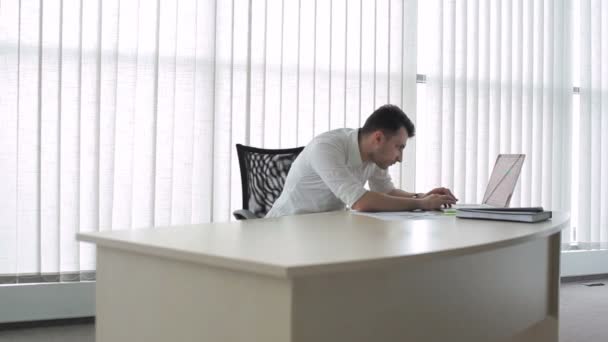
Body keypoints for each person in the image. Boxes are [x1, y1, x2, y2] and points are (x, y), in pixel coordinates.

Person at [265, 104, 458, 218]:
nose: (400, 158)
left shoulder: (374, 157)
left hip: (324, 229)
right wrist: (423, 204)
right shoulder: (326, 147)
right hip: (284, 228)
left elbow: (386, 191)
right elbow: (360, 202)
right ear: (378, 138)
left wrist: (422, 196)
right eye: (399, 147)